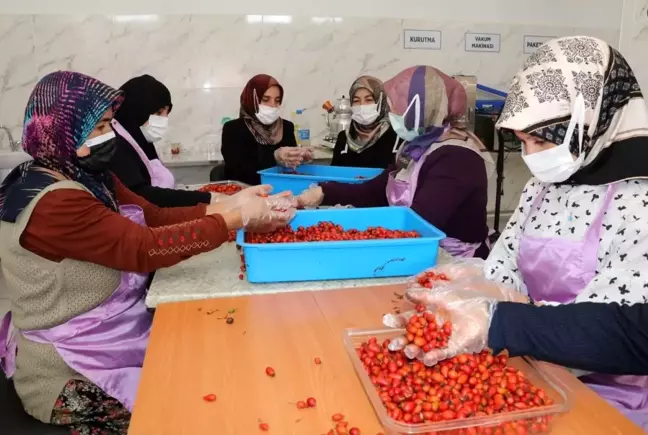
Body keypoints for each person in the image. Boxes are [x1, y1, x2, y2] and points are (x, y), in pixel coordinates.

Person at [0, 71, 295, 434]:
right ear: (61, 129)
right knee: (181, 416)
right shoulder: (54, 200)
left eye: (110, 123)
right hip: (70, 365)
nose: (111, 135)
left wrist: (227, 206)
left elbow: (152, 216)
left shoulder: (86, 175)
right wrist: (234, 220)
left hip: (116, 332)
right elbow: (143, 247)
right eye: (99, 127)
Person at [391, 37, 648, 429]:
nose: (531, 157)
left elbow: (614, 329)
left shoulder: (637, 197)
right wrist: (476, 279)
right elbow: (508, 260)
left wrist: (499, 319)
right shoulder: (543, 184)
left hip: (608, 394)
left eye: (542, 140)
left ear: (589, 121)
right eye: (523, 141)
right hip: (529, 363)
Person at [297, 66, 494, 259]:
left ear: (421, 108)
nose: (392, 116)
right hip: (414, 249)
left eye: (396, 109)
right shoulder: (417, 146)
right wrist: (323, 192)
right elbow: (375, 190)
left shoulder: (456, 157)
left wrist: (349, 227)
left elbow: (419, 222)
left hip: (453, 260)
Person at [109, 74, 218, 207]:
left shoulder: (140, 140)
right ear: (138, 110)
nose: (164, 119)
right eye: (159, 112)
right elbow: (141, 195)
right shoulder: (116, 146)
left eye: (167, 112)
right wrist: (207, 198)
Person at [222, 74, 312, 185]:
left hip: (282, 190)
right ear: (251, 99)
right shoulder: (234, 129)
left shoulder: (287, 127)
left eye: (277, 100)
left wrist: (300, 158)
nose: (273, 105)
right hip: (247, 193)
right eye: (265, 99)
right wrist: (275, 157)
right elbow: (237, 172)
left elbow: (292, 171)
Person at [330, 75, 400, 168]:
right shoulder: (344, 138)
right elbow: (334, 175)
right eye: (356, 101)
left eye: (369, 100)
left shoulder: (397, 138)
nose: (362, 105)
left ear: (381, 102)